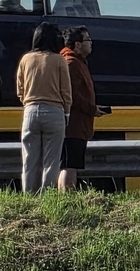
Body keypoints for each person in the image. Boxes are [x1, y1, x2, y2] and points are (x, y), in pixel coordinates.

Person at [16, 21, 72, 193]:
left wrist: (29, 102)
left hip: (31, 110)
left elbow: (20, 89)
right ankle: (46, 196)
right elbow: (66, 91)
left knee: (29, 160)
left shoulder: (26, 59)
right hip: (54, 111)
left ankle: (28, 196)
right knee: (51, 161)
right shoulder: (58, 60)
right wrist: (67, 112)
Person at [58, 26, 108, 191]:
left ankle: (64, 198)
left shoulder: (77, 62)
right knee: (70, 164)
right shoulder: (71, 63)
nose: (91, 43)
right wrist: (91, 108)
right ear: (77, 44)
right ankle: (67, 199)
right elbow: (73, 96)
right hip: (73, 125)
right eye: (87, 39)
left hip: (77, 124)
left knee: (70, 163)